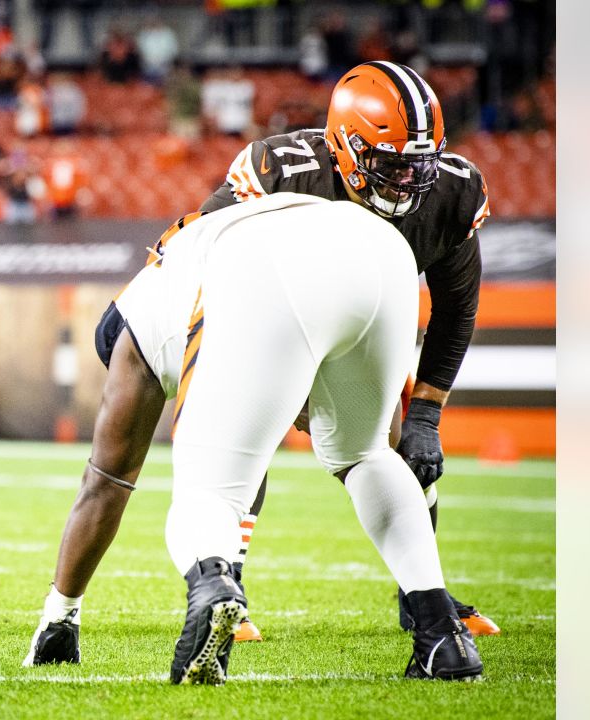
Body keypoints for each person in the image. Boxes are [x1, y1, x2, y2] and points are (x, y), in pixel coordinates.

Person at [24, 194, 484, 684]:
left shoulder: (136, 335)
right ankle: (442, 635)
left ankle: (214, 583)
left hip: (267, 265)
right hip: (386, 253)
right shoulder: (182, 264)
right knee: (367, 454)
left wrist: (60, 615)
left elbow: (105, 482)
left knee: (210, 491)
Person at [196, 60, 500, 640]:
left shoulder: (451, 196)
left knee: (408, 452)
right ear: (345, 148)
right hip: (265, 322)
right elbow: (202, 250)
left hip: (358, 331)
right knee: (246, 442)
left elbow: (456, 307)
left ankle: (422, 597)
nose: (408, 183)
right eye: (391, 167)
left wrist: (429, 415)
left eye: (421, 167)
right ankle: (226, 589)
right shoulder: (284, 171)